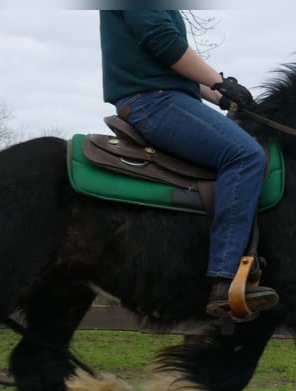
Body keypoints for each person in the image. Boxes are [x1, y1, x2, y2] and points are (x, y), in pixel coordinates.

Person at [99, 9, 279, 318]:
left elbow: (172, 66)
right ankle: (226, 279)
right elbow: (164, 42)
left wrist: (226, 96)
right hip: (153, 100)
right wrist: (220, 82)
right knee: (245, 156)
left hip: (164, 95)